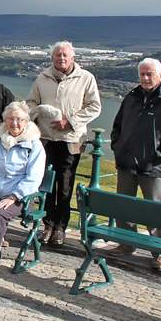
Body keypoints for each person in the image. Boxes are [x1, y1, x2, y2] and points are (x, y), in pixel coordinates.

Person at [108, 58, 161, 270]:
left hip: (152, 169)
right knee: (124, 208)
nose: (144, 78)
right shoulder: (131, 97)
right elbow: (117, 125)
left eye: (149, 74)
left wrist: (154, 159)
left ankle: (160, 252)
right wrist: (118, 147)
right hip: (125, 165)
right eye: (142, 74)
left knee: (153, 212)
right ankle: (126, 245)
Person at [26, 41, 101, 246]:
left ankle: (61, 227)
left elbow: (94, 106)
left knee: (65, 187)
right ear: (52, 58)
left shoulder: (86, 78)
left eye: (65, 55)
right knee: (47, 184)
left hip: (70, 140)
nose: (61, 58)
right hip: (46, 139)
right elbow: (31, 102)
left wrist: (70, 121)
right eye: (58, 55)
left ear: (73, 58)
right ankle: (47, 225)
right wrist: (37, 113)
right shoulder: (42, 78)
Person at [0, 101, 46, 277]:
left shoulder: (34, 145)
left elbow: (33, 177)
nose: (15, 123)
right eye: (10, 119)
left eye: (19, 119)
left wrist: (14, 196)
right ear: (5, 121)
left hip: (20, 197)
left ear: (27, 122)